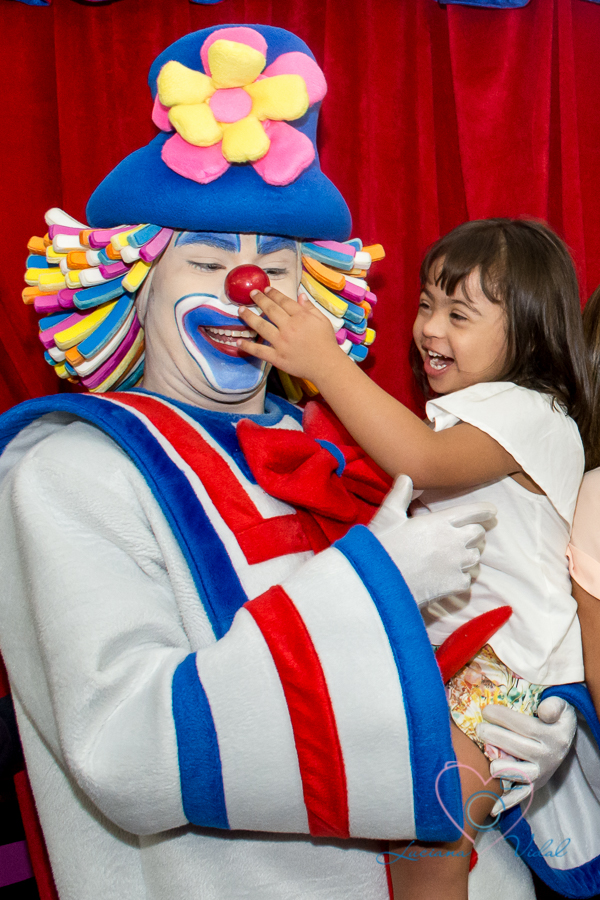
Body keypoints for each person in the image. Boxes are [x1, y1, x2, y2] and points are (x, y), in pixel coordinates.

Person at [0, 25, 585, 900]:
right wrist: (370, 586)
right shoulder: (69, 470)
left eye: (276, 266)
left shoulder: (340, 442)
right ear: (130, 284)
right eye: (206, 260)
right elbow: (127, 751)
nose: (249, 287)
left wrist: (534, 730)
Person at [237, 217, 595, 899]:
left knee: (433, 827)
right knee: (414, 833)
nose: (429, 327)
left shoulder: (532, 413)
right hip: (458, 659)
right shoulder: (473, 412)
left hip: (506, 671)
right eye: (427, 304)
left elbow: (419, 461)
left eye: (458, 314)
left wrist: (325, 363)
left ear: (528, 331)